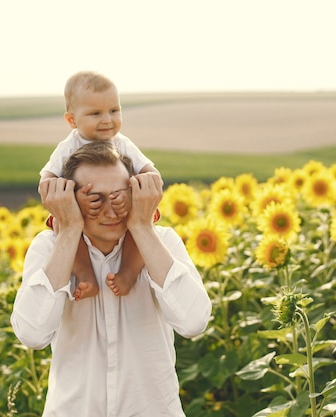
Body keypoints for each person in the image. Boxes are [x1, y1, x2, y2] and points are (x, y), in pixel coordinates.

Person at [11, 141, 211, 416]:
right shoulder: (49, 248)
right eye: (95, 199)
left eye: (119, 197)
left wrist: (141, 226)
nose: (111, 211)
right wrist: (69, 231)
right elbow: (32, 333)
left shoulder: (162, 242)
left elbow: (194, 321)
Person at [39, 70, 159, 301]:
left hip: (122, 209)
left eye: (114, 110)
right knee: (62, 227)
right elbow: (45, 185)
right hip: (82, 214)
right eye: (96, 113)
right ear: (72, 120)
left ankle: (129, 272)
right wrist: (75, 199)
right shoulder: (68, 147)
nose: (107, 119)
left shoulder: (122, 144)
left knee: (143, 224)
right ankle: (86, 275)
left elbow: (153, 176)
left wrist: (132, 194)